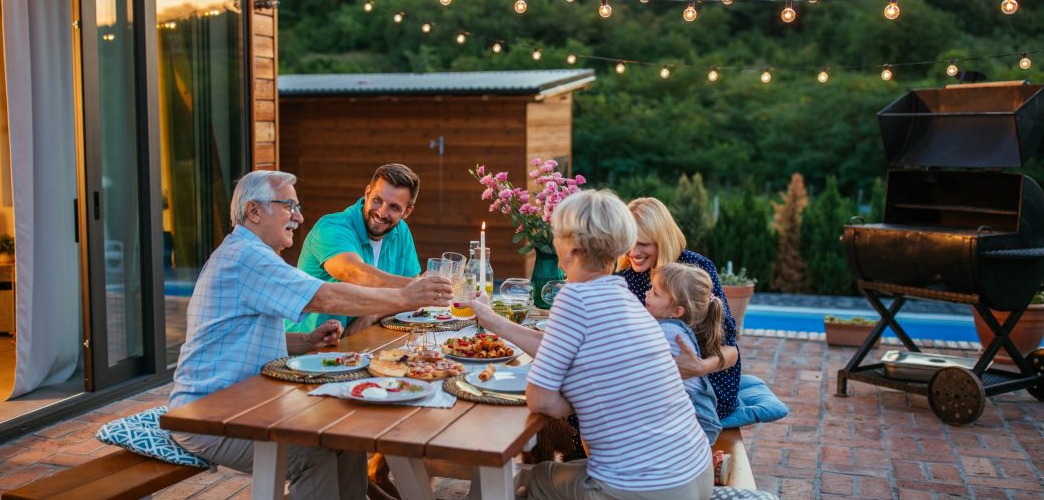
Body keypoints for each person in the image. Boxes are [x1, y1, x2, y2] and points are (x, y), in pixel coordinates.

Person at [168, 170, 452, 499]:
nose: (299, 217)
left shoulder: (251, 255)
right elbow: (328, 295)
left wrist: (305, 341)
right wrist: (407, 296)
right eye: (289, 206)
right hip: (210, 414)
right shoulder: (246, 258)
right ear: (254, 211)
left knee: (346, 444)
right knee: (314, 457)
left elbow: (238, 337)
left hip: (246, 402)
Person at [463, 190, 713, 499]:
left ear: (570, 245)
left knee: (538, 477)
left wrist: (574, 398)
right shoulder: (627, 298)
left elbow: (540, 400)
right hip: (694, 470)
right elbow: (556, 347)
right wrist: (492, 320)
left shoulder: (574, 298)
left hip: (645, 487)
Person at [618, 197, 741, 420]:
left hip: (705, 389)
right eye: (629, 242)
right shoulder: (625, 278)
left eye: (643, 243)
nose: (634, 251)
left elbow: (731, 351)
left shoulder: (695, 268)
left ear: (661, 239)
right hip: (655, 380)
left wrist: (698, 367)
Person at [287, 163, 423, 336]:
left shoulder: (400, 231)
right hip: (307, 347)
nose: (381, 212)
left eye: (394, 207)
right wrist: (416, 287)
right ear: (367, 193)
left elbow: (411, 301)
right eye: (377, 200)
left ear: (407, 211)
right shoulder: (331, 228)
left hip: (358, 342)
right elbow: (354, 273)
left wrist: (372, 314)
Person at [644, 263, 723, 444]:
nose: (647, 293)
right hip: (694, 413)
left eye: (655, 293)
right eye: (651, 288)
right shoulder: (672, 326)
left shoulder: (670, 332)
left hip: (695, 418)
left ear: (677, 311)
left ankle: (710, 462)